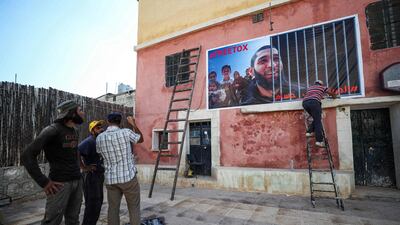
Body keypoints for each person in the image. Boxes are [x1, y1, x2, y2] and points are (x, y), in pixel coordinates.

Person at [21, 100, 85, 225]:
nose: (83, 113)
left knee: (73, 219)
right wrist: (44, 182)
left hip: (77, 181)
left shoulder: (75, 131)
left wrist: (82, 168)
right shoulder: (52, 130)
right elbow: (27, 156)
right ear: (72, 114)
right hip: (60, 185)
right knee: (52, 221)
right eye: (80, 110)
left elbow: (75, 151)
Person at [96, 112, 144, 225]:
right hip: (128, 178)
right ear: (121, 121)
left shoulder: (99, 137)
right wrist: (134, 125)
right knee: (134, 208)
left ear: (108, 122)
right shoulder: (126, 132)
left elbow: (99, 153)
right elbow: (140, 139)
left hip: (111, 179)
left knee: (113, 209)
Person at [78, 120, 105, 225]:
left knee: (98, 203)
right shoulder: (89, 141)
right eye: (98, 128)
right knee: (92, 204)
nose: (101, 129)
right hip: (91, 177)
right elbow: (77, 151)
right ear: (92, 130)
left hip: (98, 176)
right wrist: (84, 167)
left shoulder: (99, 141)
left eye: (101, 127)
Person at [302, 80, 337, 147]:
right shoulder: (322, 87)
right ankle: (319, 141)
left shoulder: (310, 88)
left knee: (316, 118)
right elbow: (330, 92)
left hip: (305, 103)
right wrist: (334, 96)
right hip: (314, 103)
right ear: (321, 84)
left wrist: (320, 97)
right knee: (318, 121)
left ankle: (309, 132)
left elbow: (312, 95)